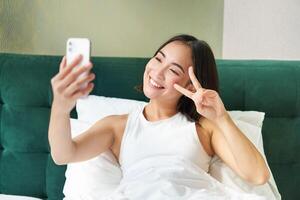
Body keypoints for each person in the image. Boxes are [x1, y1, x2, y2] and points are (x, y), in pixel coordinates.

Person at [48, 34, 270, 199]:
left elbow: (258, 175)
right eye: (158, 58)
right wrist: (61, 106)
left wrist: (222, 118)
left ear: (190, 84)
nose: (157, 72)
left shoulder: (203, 127)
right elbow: (63, 154)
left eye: (173, 70)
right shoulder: (118, 126)